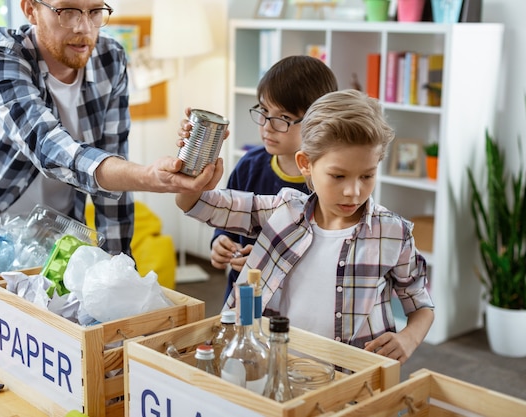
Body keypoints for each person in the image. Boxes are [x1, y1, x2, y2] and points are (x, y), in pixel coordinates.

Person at [0, 0, 221, 256]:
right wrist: (148, 177)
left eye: (95, 11)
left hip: (55, 239)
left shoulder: (111, 59)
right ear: (30, 10)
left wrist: (119, 267)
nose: (84, 28)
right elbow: (47, 146)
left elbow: (113, 178)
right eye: (68, 11)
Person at [176, 89, 435, 363]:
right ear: (306, 164)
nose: (354, 191)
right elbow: (193, 202)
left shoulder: (393, 233)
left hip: (352, 383)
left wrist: (409, 338)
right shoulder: (282, 211)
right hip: (272, 370)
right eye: (338, 176)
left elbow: (421, 305)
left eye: (367, 175)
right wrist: (193, 151)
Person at [180, 55, 338, 301]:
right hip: (242, 301)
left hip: (293, 307)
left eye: (284, 118)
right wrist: (220, 243)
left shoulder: (328, 182)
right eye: (264, 111)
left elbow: (325, 260)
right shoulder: (249, 166)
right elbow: (224, 223)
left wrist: (268, 259)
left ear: (319, 121)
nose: (267, 126)